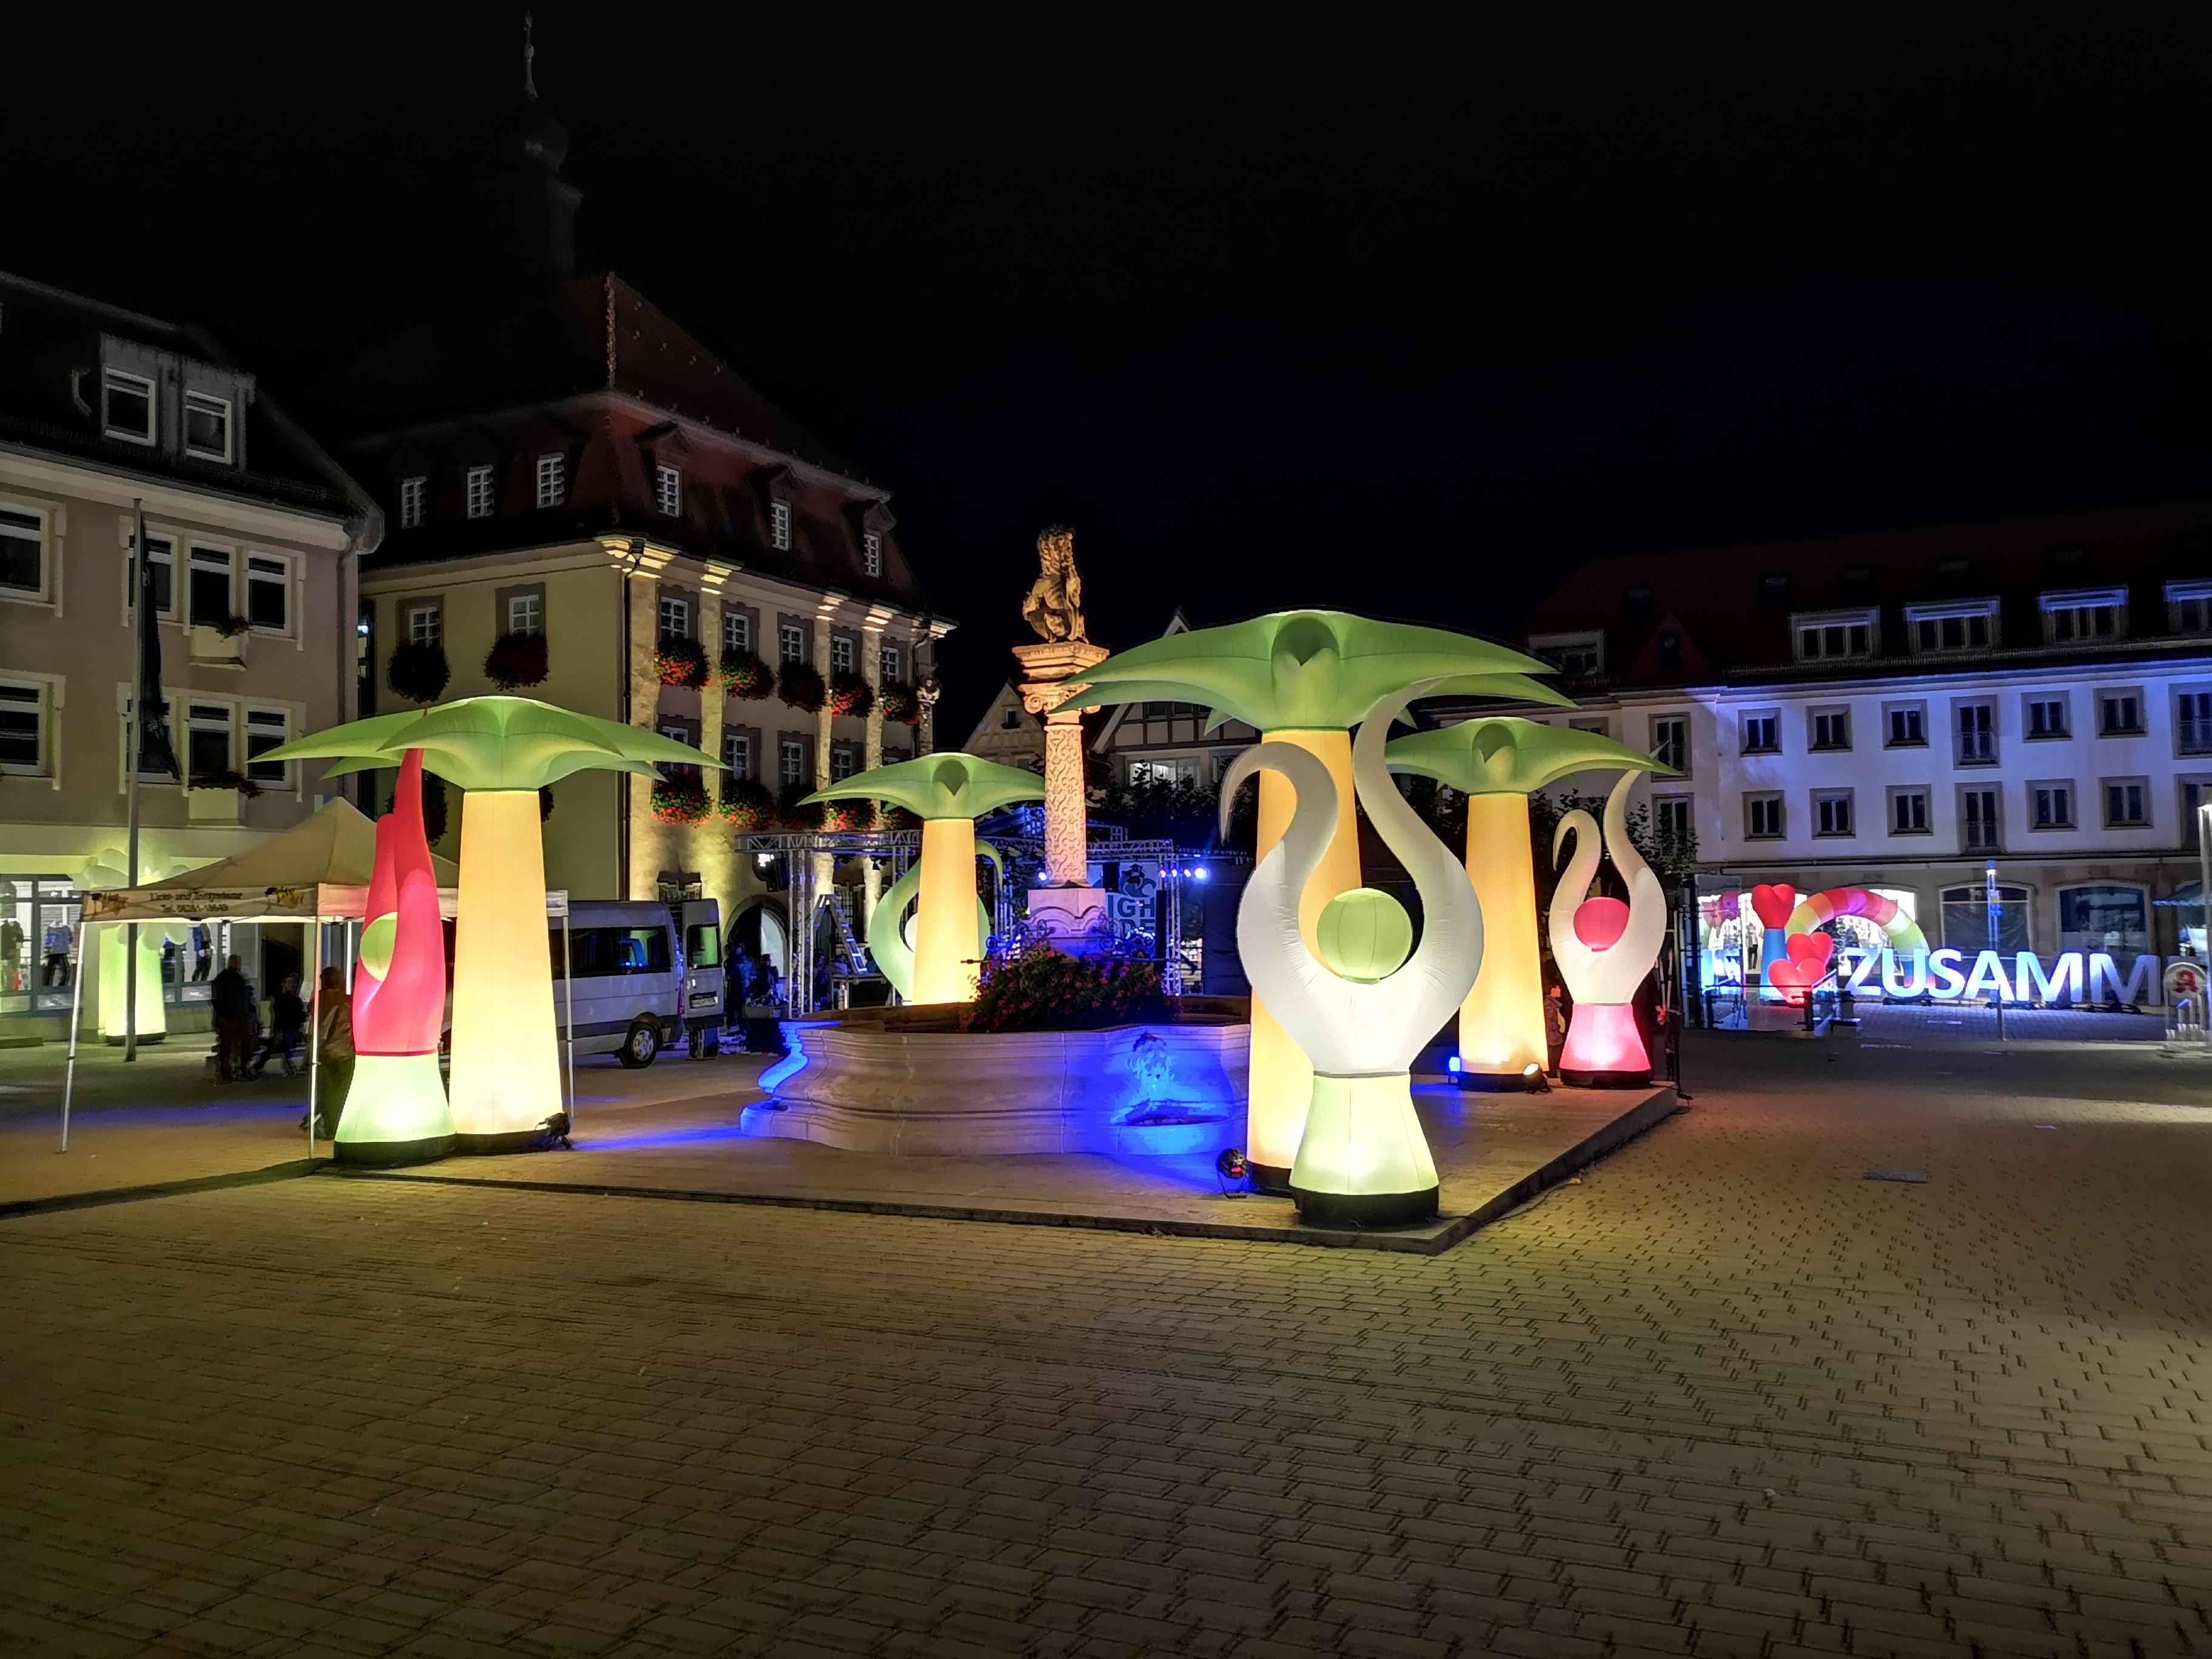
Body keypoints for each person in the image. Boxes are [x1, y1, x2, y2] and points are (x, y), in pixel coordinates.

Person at [312, 967, 355, 1138]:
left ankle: (329, 1127)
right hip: (345, 1051)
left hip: (326, 1052)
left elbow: (320, 1030)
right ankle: (337, 1127)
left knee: (328, 1091)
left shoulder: (318, 1001)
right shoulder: (345, 1001)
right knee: (341, 1091)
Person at [248, 974, 306, 1079]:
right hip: (283, 1029)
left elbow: (299, 1015)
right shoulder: (281, 1000)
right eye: (291, 985)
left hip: (290, 1029)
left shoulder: (295, 1001)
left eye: (295, 985)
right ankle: (288, 1068)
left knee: (282, 1050)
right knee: (276, 1049)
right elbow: (279, 1015)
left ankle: (288, 1068)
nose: (294, 987)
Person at [210, 954, 254, 1082]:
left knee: (240, 1045)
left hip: (238, 1016)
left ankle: (237, 1071)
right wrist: (222, 1016)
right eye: (236, 962)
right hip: (230, 1017)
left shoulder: (235, 978)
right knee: (228, 1046)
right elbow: (218, 999)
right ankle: (228, 1074)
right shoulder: (225, 979)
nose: (237, 964)